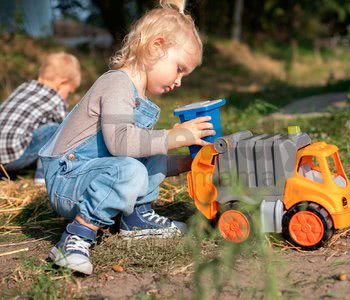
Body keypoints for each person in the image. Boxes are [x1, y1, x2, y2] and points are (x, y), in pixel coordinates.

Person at [38, 0, 214, 275]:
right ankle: (77, 236)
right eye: (179, 69)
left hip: (94, 174)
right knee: (132, 164)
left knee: (146, 149)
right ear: (156, 46)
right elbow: (121, 144)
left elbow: (146, 156)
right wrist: (174, 135)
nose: (179, 81)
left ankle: (136, 219)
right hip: (67, 178)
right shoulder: (117, 84)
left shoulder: (137, 96)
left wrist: (190, 163)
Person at [0, 52, 81, 184]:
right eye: (68, 92)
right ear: (62, 83)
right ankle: (42, 177)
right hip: (13, 158)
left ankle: (9, 174)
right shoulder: (55, 99)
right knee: (55, 130)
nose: (67, 97)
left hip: (3, 158)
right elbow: (65, 132)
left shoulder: (24, 87)